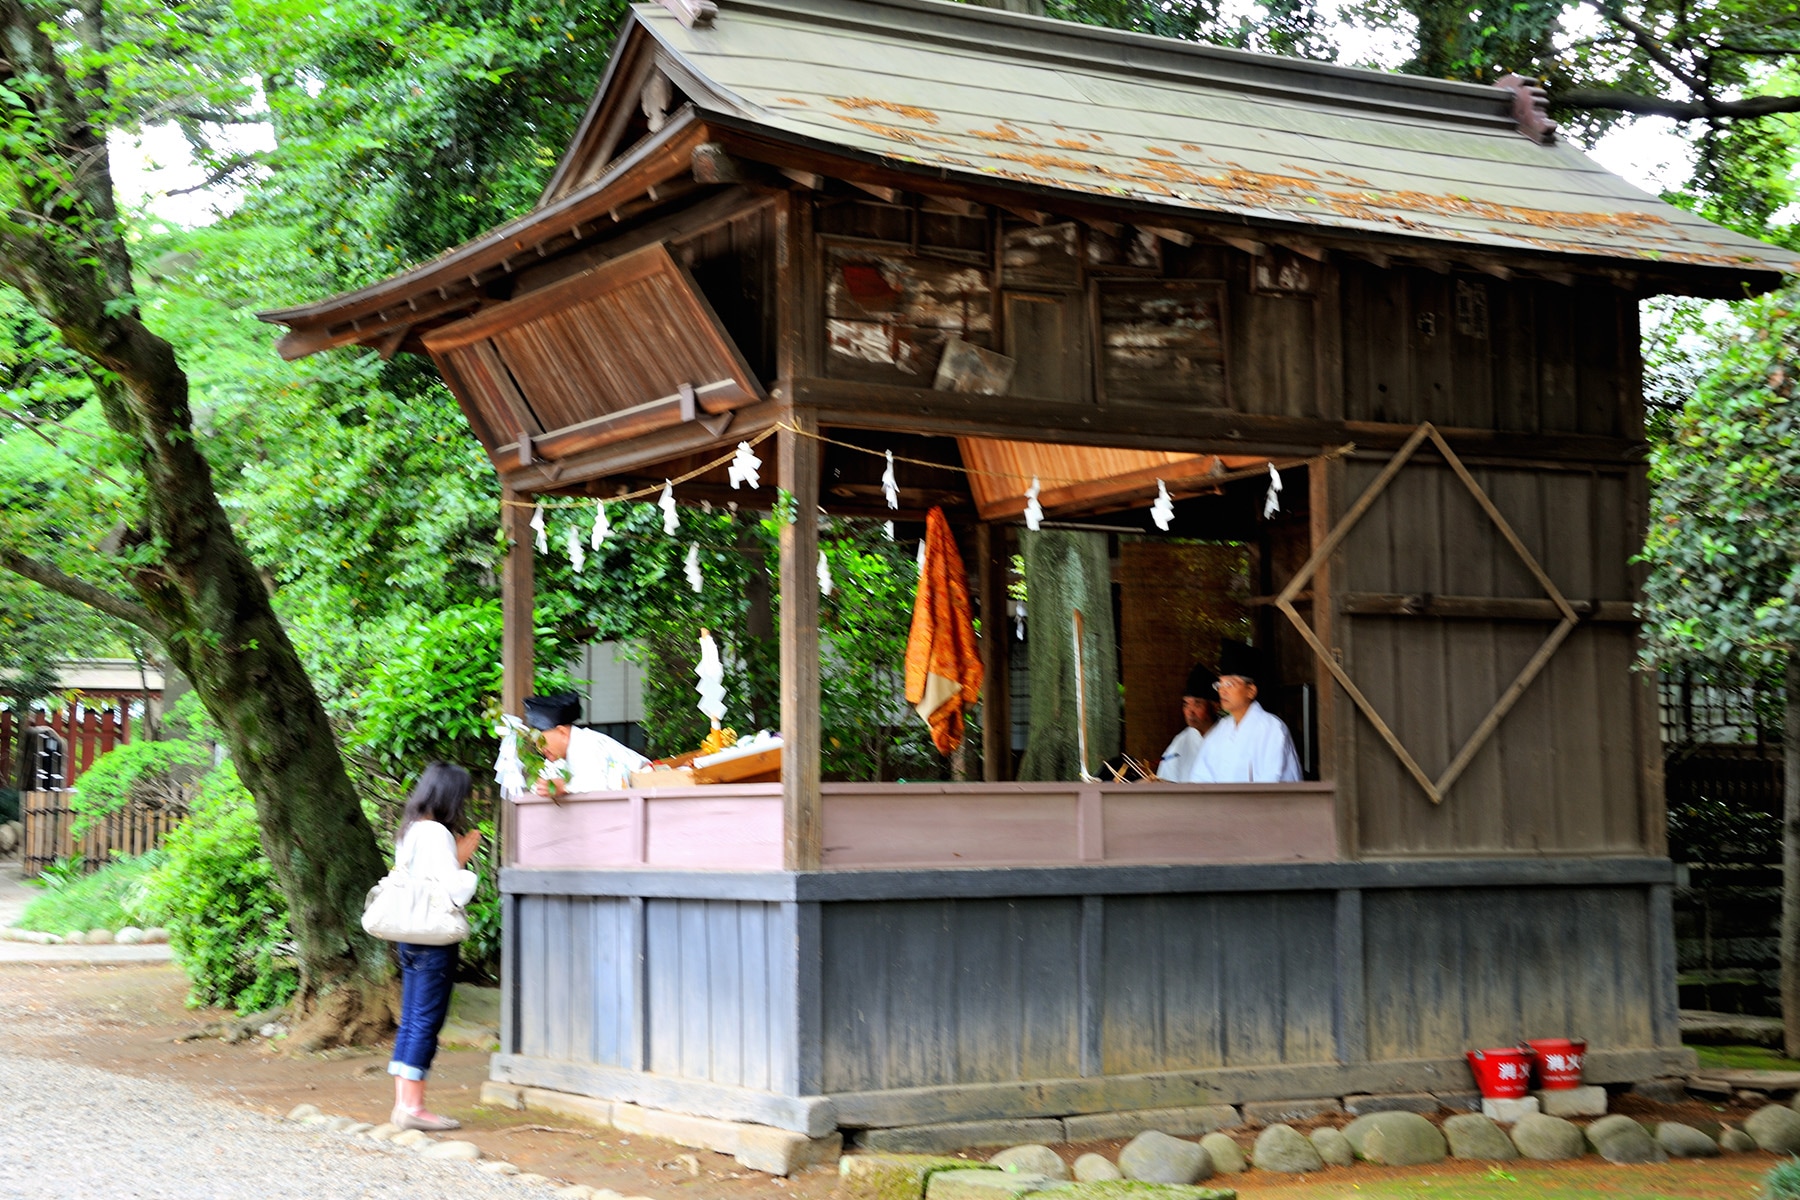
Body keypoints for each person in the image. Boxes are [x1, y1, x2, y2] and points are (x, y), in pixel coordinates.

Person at [387, 762, 480, 1132]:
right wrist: (463, 859)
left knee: (410, 1020)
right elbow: (451, 890)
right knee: (426, 1022)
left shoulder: (408, 831)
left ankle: (403, 1104)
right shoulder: (436, 834)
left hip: (408, 935)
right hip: (433, 940)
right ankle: (413, 1107)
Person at [1193, 641, 1302, 784]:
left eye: (1230, 684)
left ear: (1251, 691)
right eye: (1220, 684)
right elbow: (1200, 778)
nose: (1222, 690)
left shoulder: (1272, 729)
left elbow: (1271, 783)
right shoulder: (1219, 731)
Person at [524, 691, 650, 795]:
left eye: (541, 740)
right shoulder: (556, 758)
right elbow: (542, 785)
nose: (539, 747)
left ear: (562, 733)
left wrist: (563, 787)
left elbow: (598, 785)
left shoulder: (587, 743)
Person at [1156, 663, 1219, 782]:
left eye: (1197, 704)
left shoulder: (1228, 734)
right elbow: (1165, 780)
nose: (1190, 712)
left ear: (1215, 707)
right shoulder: (1181, 740)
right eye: (1186, 704)